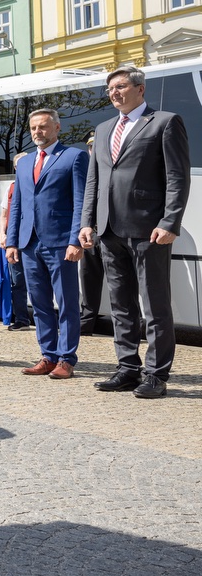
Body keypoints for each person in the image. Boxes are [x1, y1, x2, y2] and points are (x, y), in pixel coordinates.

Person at [79, 65, 190, 399]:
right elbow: (93, 181)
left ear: (140, 89)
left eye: (121, 86)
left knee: (155, 305)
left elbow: (177, 177)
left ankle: (156, 374)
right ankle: (127, 367)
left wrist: (170, 222)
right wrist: (87, 222)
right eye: (110, 88)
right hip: (109, 231)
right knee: (120, 305)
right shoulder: (102, 129)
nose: (114, 92)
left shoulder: (164, 122)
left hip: (149, 229)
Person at [6, 109, 88, 380]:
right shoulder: (26, 162)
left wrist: (74, 239)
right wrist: (13, 242)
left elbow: (80, 202)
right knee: (39, 303)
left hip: (60, 243)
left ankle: (67, 358)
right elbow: (17, 204)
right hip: (29, 243)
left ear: (56, 127)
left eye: (43, 127)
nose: (37, 132)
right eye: (33, 128)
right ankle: (48, 355)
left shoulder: (74, 157)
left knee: (66, 303)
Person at [0, 153, 30, 331]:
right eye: (19, 166)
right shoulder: (10, 188)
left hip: (32, 241)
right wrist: (3, 234)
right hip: (14, 242)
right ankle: (22, 320)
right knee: (17, 282)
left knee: (38, 281)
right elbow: (4, 215)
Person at [78, 131, 106, 336]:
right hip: (90, 234)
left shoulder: (111, 167)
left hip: (111, 234)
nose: (92, 150)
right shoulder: (82, 170)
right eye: (90, 147)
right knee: (88, 279)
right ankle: (86, 323)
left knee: (122, 282)